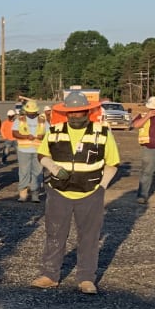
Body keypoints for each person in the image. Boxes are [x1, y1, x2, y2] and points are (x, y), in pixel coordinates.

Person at [33, 89, 118, 295]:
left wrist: (101, 188)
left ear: (87, 112)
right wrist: (53, 169)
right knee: (54, 234)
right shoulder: (54, 131)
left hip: (90, 193)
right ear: (66, 113)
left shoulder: (103, 133)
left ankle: (86, 278)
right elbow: (42, 155)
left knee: (89, 237)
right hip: (59, 193)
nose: (75, 116)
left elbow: (113, 164)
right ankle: (50, 275)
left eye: (79, 112)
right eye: (71, 113)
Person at [13, 99, 47, 202]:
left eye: (33, 113)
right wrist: (26, 136)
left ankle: (35, 194)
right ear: (26, 111)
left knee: (38, 173)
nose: (31, 115)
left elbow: (49, 134)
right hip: (23, 150)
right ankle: (23, 193)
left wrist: (43, 137)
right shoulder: (20, 119)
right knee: (24, 172)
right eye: (30, 113)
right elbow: (14, 133)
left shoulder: (42, 120)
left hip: (38, 150)